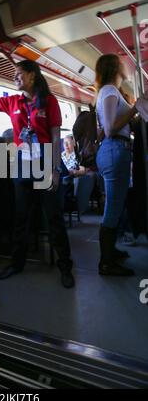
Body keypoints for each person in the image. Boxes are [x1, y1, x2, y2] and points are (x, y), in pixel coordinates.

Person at [0, 59, 74, 288]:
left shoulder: (49, 101)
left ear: (32, 75)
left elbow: (54, 137)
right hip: (22, 164)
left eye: (19, 74)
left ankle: (65, 266)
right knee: (21, 217)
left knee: (53, 218)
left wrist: (53, 169)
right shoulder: (12, 101)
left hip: (44, 162)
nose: (15, 78)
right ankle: (17, 263)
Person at [95, 53, 139, 276]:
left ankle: (111, 251)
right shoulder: (110, 91)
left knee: (116, 204)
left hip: (112, 150)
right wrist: (135, 107)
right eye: (122, 62)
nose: (125, 65)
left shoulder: (108, 93)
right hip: (114, 150)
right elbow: (111, 128)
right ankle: (106, 263)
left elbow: (103, 129)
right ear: (115, 68)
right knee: (113, 207)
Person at [61, 134, 97, 214]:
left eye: (68, 143)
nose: (66, 145)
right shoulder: (60, 155)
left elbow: (83, 170)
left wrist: (72, 172)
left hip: (70, 180)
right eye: (64, 143)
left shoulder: (78, 156)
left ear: (74, 143)